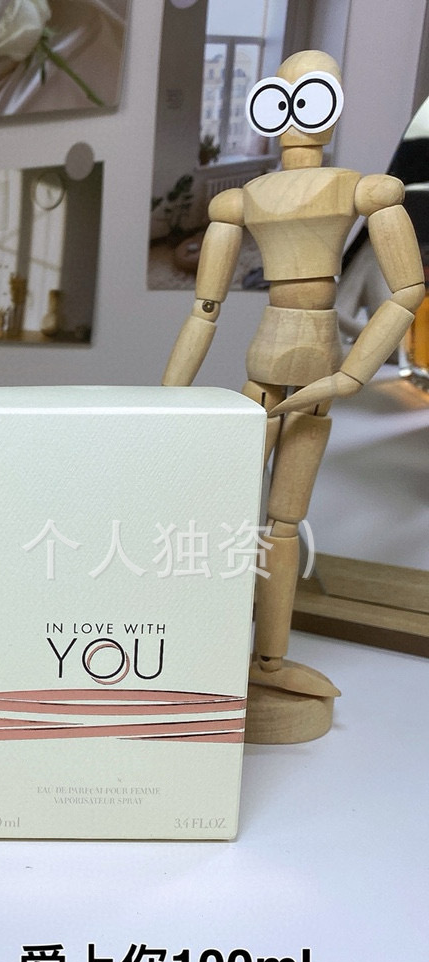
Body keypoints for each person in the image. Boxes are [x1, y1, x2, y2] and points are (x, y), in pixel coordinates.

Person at [163, 51, 425, 740]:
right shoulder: (248, 199)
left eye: (304, 99)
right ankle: (209, 642)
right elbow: (205, 308)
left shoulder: (361, 190)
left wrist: (351, 373)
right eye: (279, 102)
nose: (292, 118)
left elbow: (407, 291)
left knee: (280, 523)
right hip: (283, 367)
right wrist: (165, 401)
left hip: (315, 373)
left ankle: (268, 660)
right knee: (229, 514)